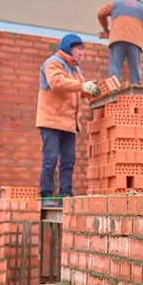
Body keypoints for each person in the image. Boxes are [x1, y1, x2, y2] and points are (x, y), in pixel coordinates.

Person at [36, 34, 100, 207]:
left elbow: (78, 89)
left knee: (69, 160)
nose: (82, 54)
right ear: (69, 48)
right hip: (51, 120)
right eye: (79, 49)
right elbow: (57, 82)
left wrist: (90, 89)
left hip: (68, 123)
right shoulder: (53, 63)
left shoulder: (75, 70)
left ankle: (65, 195)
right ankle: (46, 195)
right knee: (50, 159)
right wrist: (82, 86)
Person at [97, 0, 143, 85]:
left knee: (115, 66)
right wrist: (141, 35)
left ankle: (114, 88)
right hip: (135, 42)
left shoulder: (116, 4)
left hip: (117, 39)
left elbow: (101, 13)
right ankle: (136, 89)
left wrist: (106, 28)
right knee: (135, 68)